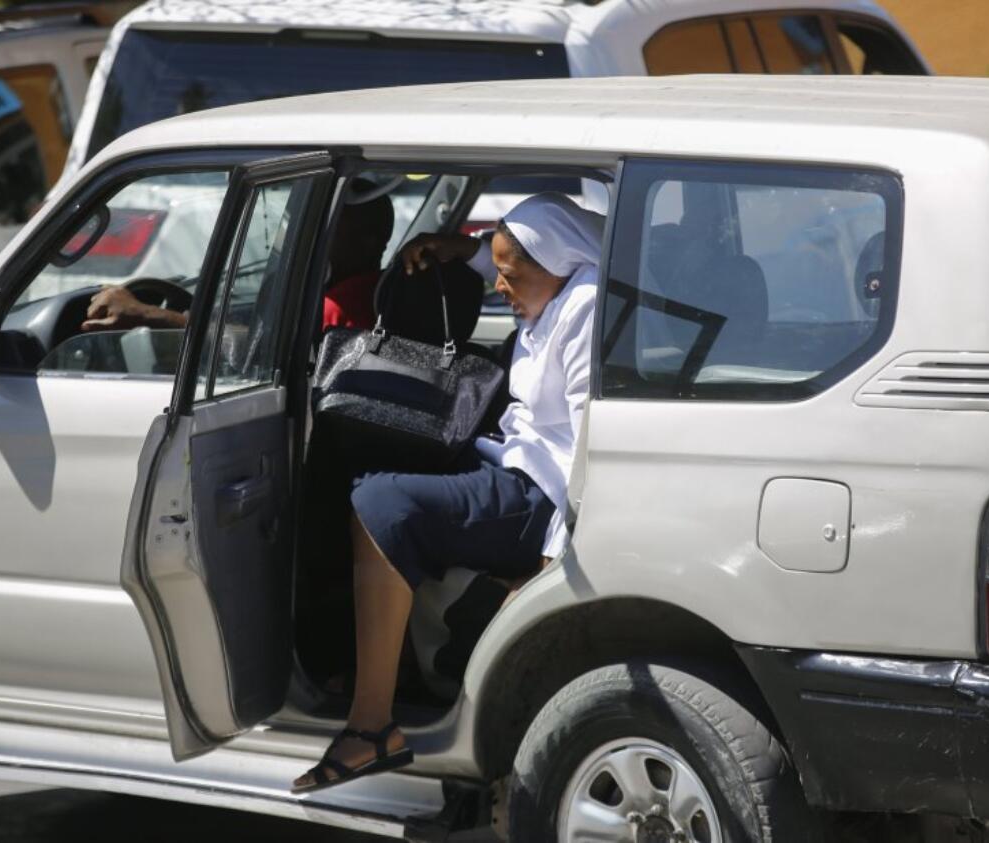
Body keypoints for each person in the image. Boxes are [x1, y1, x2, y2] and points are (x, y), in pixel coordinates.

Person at [292, 193, 605, 794]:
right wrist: (463, 248)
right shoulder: (553, 290)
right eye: (500, 273)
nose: (499, 288)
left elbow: (590, 450)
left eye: (510, 277)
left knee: (382, 502)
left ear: (558, 264)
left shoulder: (583, 307)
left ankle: (371, 727)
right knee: (382, 468)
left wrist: (553, 560)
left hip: (538, 495)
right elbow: (506, 259)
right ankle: (400, 672)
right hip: (511, 461)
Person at [78, 178, 394, 333]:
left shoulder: (338, 311)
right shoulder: (382, 292)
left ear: (367, 243)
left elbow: (255, 356)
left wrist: (148, 315)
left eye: (327, 226)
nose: (309, 236)